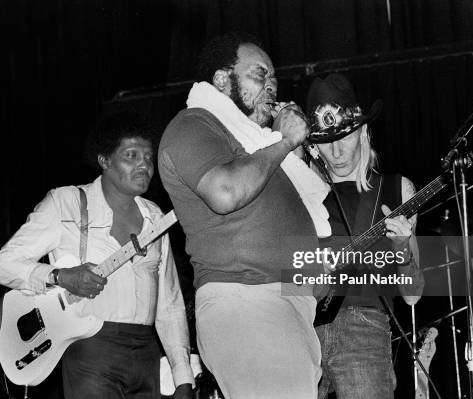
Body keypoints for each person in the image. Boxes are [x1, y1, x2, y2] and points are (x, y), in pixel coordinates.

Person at [158, 32, 331, 398]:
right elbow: (224, 192)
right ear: (223, 80)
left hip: (280, 306)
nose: (271, 86)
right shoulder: (194, 124)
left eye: (274, 79)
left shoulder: (255, 144)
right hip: (247, 302)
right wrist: (282, 142)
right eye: (260, 75)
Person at [0, 111, 194, 399]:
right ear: (104, 160)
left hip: (146, 353)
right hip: (90, 351)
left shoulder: (155, 217)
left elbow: (170, 304)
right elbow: (1, 266)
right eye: (131, 155)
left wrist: (182, 374)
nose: (144, 165)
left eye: (148, 157)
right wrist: (60, 276)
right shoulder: (66, 204)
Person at [305, 74, 425, 399]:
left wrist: (402, 247)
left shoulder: (398, 189)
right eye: (325, 141)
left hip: (364, 328)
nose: (336, 151)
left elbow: (413, 295)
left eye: (345, 136)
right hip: (300, 330)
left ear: (362, 131)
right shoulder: (301, 195)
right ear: (312, 146)